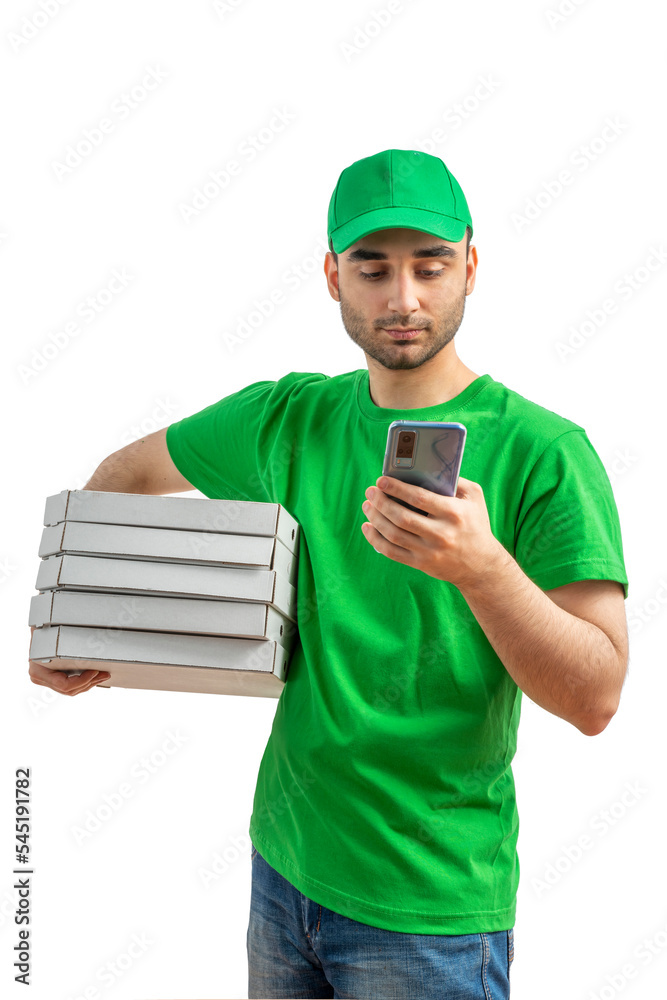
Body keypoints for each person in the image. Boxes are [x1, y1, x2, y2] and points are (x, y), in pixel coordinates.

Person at [29, 148, 629, 1000]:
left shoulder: (546, 453)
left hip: (429, 909)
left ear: (471, 266)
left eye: (429, 266)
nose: (403, 298)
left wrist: (482, 569)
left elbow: (596, 695)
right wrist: (75, 620)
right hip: (284, 864)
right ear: (330, 275)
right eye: (371, 268)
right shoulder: (287, 417)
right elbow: (128, 472)